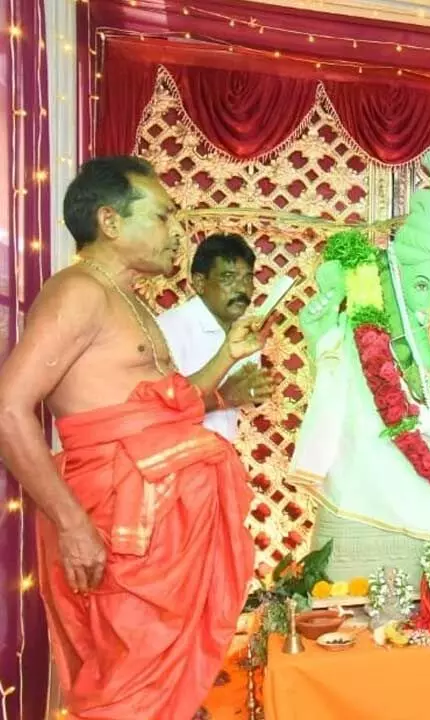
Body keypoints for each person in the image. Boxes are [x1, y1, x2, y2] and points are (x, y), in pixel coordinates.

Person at [0, 156, 265, 720]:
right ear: (111, 222)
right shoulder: (77, 294)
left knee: (171, 697)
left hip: (157, 534)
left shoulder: (131, 301)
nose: (176, 233)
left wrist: (228, 357)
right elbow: (9, 409)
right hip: (116, 532)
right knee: (128, 693)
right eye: (164, 217)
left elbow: (164, 408)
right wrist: (73, 525)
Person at [157, 233, 274, 442]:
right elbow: (154, 408)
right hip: (174, 460)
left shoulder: (243, 329)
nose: (242, 289)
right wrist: (224, 397)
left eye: (247, 278)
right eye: (228, 277)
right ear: (200, 283)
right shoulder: (169, 328)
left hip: (219, 456)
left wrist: (256, 388)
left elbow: (244, 394)